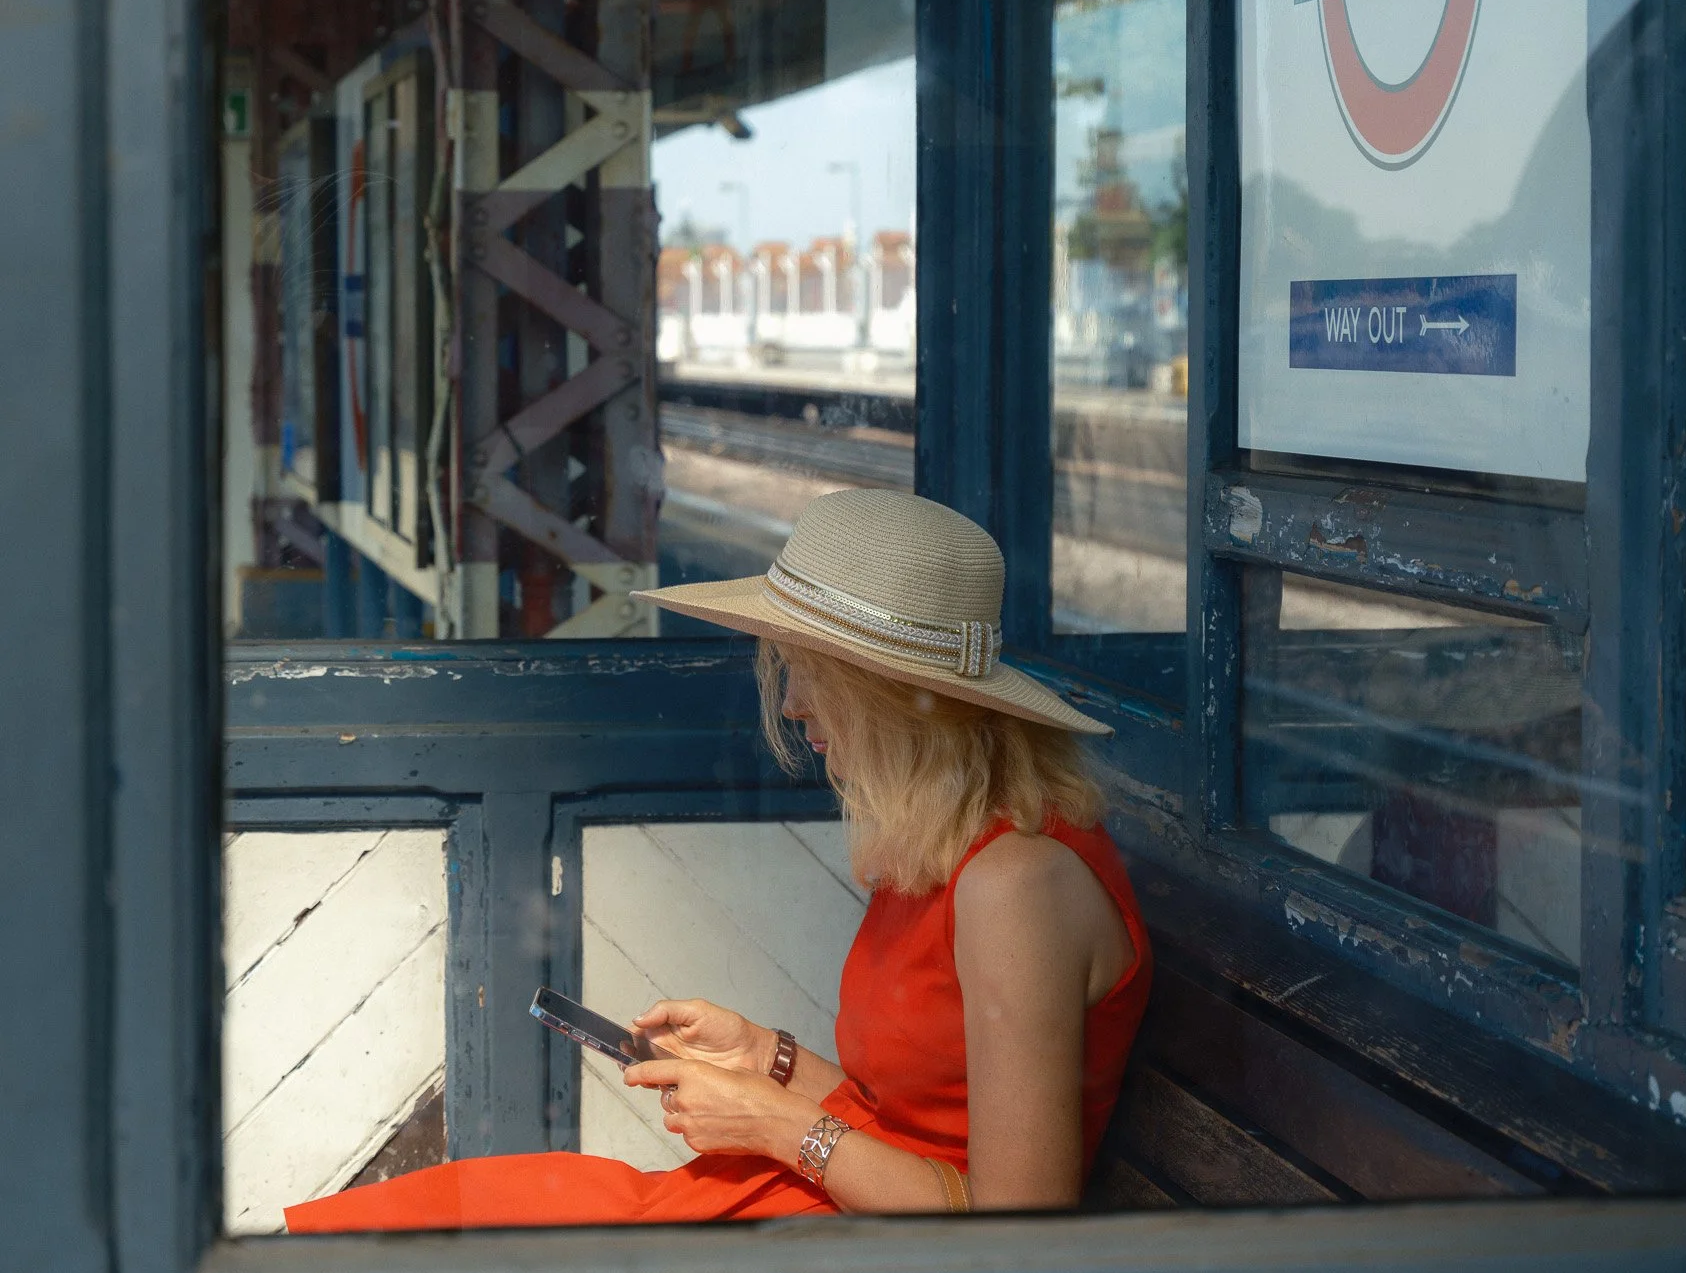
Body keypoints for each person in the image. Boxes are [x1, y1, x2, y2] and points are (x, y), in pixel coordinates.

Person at [285, 488, 1152, 1231]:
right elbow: (914, 1113)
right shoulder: (950, 846)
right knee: (476, 1210)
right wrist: (764, 1059)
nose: (793, 702)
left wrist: (776, 1126)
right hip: (836, 1216)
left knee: (478, 1245)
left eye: (815, 671)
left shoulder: (1015, 884)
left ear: (898, 699)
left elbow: (1014, 1225)